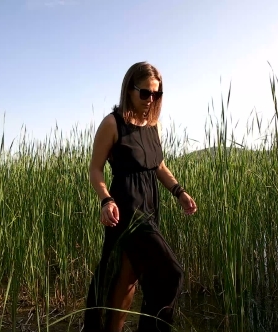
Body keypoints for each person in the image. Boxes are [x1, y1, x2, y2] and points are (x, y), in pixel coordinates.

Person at [83, 61, 198, 332]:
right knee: (170, 274)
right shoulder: (113, 124)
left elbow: (157, 165)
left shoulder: (152, 126)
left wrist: (179, 191)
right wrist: (105, 200)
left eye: (156, 94)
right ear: (129, 90)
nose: (150, 99)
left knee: (128, 277)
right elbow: (95, 169)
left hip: (150, 206)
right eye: (144, 93)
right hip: (128, 209)